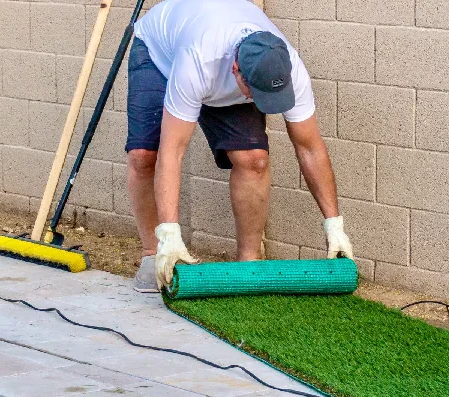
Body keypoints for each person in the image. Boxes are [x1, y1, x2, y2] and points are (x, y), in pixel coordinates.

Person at [128, 0, 354, 293]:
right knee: (145, 154)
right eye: (256, 93)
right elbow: (174, 152)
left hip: (217, 64)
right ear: (236, 70)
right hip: (161, 54)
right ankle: (152, 253)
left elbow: (309, 147)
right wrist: (169, 232)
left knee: (254, 159)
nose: (266, 105)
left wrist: (334, 225)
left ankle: (248, 264)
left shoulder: (288, 67)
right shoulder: (198, 60)